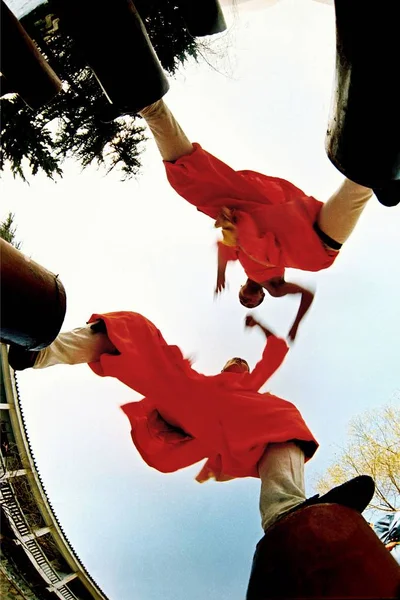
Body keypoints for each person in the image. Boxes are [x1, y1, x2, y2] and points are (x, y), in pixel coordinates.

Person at [8, 311, 374, 531]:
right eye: (234, 363)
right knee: (134, 330)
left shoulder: (249, 388)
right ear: (225, 366)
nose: (239, 366)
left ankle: (285, 513)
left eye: (242, 365)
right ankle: (40, 350)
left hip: (223, 424)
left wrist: (260, 323)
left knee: (283, 415)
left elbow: (274, 353)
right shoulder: (209, 379)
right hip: (183, 398)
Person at [137, 99, 374, 340]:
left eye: (243, 300)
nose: (247, 299)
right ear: (261, 296)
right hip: (301, 236)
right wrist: (295, 325)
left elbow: (225, 247)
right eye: (251, 302)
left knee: (189, 182)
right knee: (319, 257)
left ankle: (150, 106)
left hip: (258, 212)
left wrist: (221, 273)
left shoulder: (243, 257)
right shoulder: (274, 286)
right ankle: (371, 173)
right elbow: (307, 295)